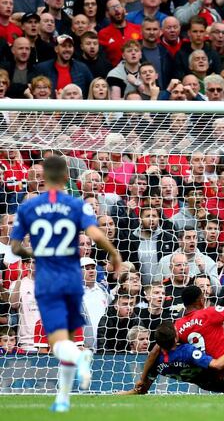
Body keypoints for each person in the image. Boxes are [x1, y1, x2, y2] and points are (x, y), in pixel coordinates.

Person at [9, 155, 122, 412]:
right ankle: (63, 398)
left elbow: (15, 246)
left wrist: (34, 254)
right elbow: (94, 234)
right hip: (72, 276)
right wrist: (114, 254)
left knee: (59, 342)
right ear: (65, 178)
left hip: (48, 277)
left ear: (42, 177)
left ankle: (71, 377)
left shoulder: (29, 207)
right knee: (71, 338)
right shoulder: (75, 204)